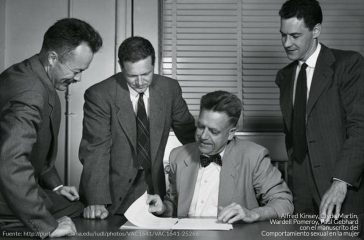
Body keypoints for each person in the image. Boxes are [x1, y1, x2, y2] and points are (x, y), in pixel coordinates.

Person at [0, 18, 102, 238]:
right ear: (52, 58)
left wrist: (56, 187)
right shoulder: (30, 93)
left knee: (74, 206)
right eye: (76, 70)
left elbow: (38, 148)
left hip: (18, 183)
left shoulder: (35, 74)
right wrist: (48, 226)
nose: (79, 78)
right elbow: (11, 161)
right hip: (5, 190)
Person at [79, 36, 196, 220]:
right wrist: (96, 199)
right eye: (132, 76)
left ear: (154, 65)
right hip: (111, 196)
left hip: (154, 194)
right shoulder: (100, 95)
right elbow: (96, 149)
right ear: (120, 66)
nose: (140, 82)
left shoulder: (169, 89)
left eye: (146, 73)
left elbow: (190, 134)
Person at [276, 0, 364, 226]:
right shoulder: (284, 77)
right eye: (283, 35)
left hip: (341, 191)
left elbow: (360, 129)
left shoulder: (349, 65)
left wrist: (341, 181)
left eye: (295, 36)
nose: (287, 43)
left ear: (316, 30)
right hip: (300, 194)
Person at [148, 91, 293, 223]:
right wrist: (163, 208)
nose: (203, 136)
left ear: (231, 133)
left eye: (213, 131)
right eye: (200, 126)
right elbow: (174, 204)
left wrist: (253, 214)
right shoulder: (178, 156)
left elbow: (284, 203)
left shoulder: (254, 156)